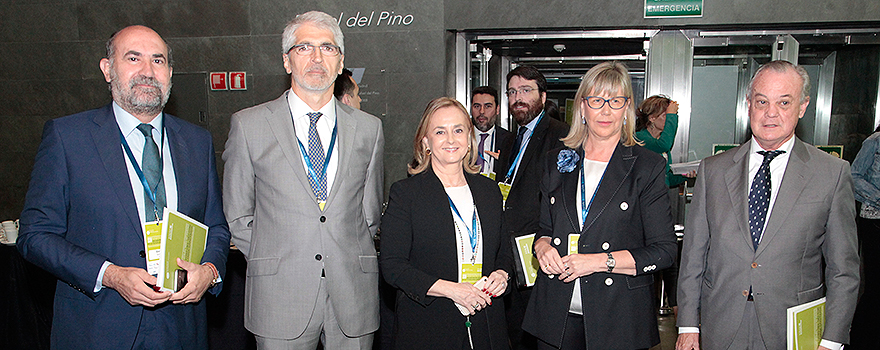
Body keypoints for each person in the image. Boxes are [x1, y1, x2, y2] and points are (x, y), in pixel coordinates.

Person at [17, 25, 229, 350]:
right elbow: (34, 236)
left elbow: (216, 226)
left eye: (158, 61)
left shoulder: (196, 141)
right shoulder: (68, 138)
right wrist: (111, 275)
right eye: (133, 58)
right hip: (98, 328)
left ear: (170, 73)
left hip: (182, 329)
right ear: (107, 69)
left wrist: (211, 270)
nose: (147, 71)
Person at [222, 11, 384, 349]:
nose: (316, 57)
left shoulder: (369, 129)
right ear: (286, 61)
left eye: (327, 48)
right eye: (303, 47)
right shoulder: (249, 125)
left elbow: (369, 216)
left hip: (352, 293)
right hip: (279, 295)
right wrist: (278, 260)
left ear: (340, 63)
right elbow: (238, 215)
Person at [676, 60, 859, 350]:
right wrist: (687, 325)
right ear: (748, 104)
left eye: (784, 102)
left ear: (802, 107)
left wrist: (832, 340)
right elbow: (693, 256)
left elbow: (843, 270)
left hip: (791, 332)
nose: (771, 112)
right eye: (762, 101)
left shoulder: (832, 174)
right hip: (720, 327)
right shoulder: (713, 170)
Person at [522, 61, 677, 349]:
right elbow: (543, 228)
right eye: (596, 100)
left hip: (619, 315)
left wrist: (595, 262)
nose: (605, 110)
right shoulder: (555, 161)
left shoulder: (647, 166)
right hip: (557, 313)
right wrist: (542, 247)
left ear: (626, 109)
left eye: (615, 100)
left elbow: (664, 251)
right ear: (582, 107)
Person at [380, 97, 512, 350]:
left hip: (487, 324)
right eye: (440, 131)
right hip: (429, 326)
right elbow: (393, 266)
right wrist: (452, 290)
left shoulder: (489, 191)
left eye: (458, 130)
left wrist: (502, 275)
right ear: (426, 142)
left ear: (469, 138)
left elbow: (503, 253)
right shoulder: (406, 194)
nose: (451, 139)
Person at [494, 65, 569, 350]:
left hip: (540, 251)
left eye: (525, 91)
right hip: (510, 255)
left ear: (543, 95)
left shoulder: (561, 136)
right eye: (512, 92)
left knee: (540, 337)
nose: (517, 98)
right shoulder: (511, 139)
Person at [846, 125, 880, 349]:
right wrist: (878, 197)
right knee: (876, 285)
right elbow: (854, 175)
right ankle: (859, 339)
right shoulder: (875, 141)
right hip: (874, 218)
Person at [635, 95, 692, 187]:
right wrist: (672, 115)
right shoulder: (640, 138)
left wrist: (685, 175)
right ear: (652, 118)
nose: (670, 118)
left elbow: (666, 178)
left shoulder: (661, 142)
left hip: (660, 196)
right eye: (666, 115)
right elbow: (663, 145)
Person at [471, 86, 512, 177]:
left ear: (497, 110)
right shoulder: (461, 138)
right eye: (477, 106)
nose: (481, 111)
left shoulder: (509, 140)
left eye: (487, 106)